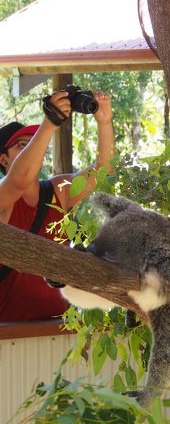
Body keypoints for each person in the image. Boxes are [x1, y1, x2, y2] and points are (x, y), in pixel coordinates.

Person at [0, 90, 114, 322]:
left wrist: (104, 123)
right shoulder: (3, 196)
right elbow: (18, 180)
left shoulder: (58, 190)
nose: (33, 149)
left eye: (34, 144)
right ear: (3, 159)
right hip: (9, 332)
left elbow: (103, 173)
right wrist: (51, 122)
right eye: (23, 145)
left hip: (58, 327)